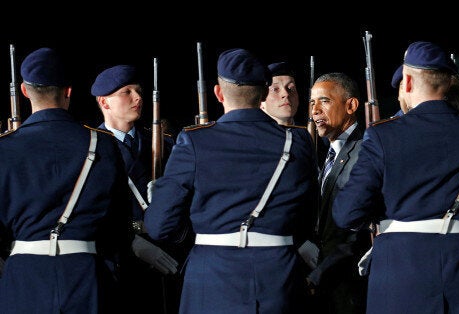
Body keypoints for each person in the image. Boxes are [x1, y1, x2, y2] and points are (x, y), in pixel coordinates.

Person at [144, 48, 318, 314]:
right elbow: (307, 218)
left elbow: (159, 225)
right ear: (262, 94)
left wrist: (200, 229)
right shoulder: (298, 141)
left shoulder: (194, 140)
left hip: (211, 276)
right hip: (279, 275)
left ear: (218, 93)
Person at [332, 41, 459, 313]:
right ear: (448, 82)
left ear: (406, 82)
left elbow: (348, 212)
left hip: (401, 267)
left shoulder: (384, 134)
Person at [0, 47, 132, 313]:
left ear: (25, 91)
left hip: (24, 278)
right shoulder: (102, 143)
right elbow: (118, 227)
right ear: (69, 91)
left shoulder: (4, 148)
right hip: (87, 274)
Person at [91, 64, 188, 314]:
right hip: (118, 256)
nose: (138, 98)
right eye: (127, 92)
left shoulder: (163, 143)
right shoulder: (90, 148)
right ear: (104, 102)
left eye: (139, 91)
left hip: (167, 250)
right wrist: (132, 241)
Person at [305, 72, 370, 313]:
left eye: (324, 101)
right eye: (312, 103)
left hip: (348, 286)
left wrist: (320, 273)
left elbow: (357, 233)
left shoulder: (365, 152)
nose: (315, 110)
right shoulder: (325, 153)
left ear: (351, 105)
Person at [261, 61, 300, 126]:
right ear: (260, 101)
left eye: (291, 88)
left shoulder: (306, 133)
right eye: (275, 89)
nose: (286, 94)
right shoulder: (249, 134)